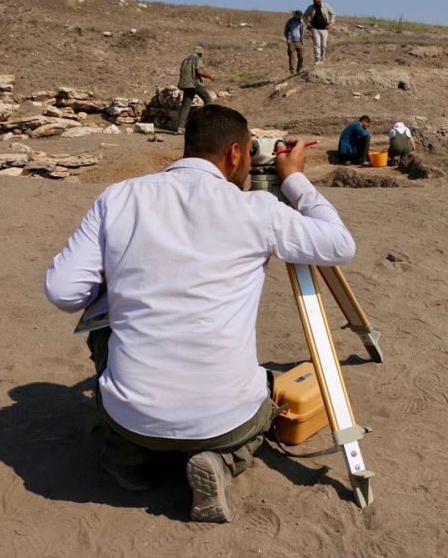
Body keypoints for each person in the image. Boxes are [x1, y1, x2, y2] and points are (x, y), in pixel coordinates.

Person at [43, 105, 355, 523]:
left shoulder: (119, 197)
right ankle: (222, 461)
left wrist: (118, 284)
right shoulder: (258, 210)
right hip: (226, 421)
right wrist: (294, 177)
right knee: (262, 395)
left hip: (132, 418)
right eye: (247, 153)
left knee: (104, 330)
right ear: (233, 154)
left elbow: (64, 290)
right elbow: (339, 244)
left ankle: (127, 458)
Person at [176, 46, 215, 133]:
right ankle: (203, 123)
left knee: (186, 106)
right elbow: (200, 72)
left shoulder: (185, 60)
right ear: (200, 53)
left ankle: (180, 127)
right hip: (195, 84)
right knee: (208, 100)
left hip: (186, 85)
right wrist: (210, 76)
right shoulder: (197, 59)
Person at [302, 0, 335, 64]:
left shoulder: (326, 6)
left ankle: (322, 59)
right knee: (317, 44)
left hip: (324, 28)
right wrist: (308, 23)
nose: (316, 0)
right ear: (313, 0)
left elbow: (332, 14)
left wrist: (331, 23)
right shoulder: (310, 7)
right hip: (315, 29)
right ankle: (317, 59)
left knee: (324, 45)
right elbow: (304, 16)